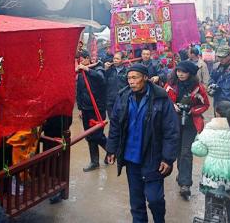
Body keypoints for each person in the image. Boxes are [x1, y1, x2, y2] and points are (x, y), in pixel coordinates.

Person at [106, 63, 180, 223]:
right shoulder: (123, 96)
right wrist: (111, 149)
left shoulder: (161, 98)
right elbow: (115, 124)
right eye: (129, 78)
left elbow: (171, 130)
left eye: (135, 78)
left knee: (155, 199)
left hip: (153, 157)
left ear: (145, 78)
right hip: (131, 157)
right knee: (137, 201)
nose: (131, 81)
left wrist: (167, 158)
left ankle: (160, 220)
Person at [191, 101, 230, 223]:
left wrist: (198, 138)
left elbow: (197, 150)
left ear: (217, 113)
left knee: (210, 214)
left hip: (211, 181)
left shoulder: (208, 130)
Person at [165, 61, 210, 200]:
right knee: (177, 151)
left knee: (186, 152)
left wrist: (192, 110)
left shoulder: (198, 88)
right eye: (178, 71)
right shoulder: (170, 86)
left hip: (190, 123)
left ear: (190, 73)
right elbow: (162, 101)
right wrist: (172, 106)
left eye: (183, 72)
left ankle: (185, 184)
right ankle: (182, 173)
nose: (180, 74)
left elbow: (205, 104)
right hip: (173, 123)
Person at [76, 50, 107, 172]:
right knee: (89, 136)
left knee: (98, 135)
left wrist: (88, 70)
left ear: (88, 58)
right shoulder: (80, 74)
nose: (81, 62)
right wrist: (80, 108)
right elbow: (79, 92)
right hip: (86, 109)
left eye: (82, 59)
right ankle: (94, 162)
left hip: (97, 109)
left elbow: (101, 80)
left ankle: (112, 151)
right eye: (79, 60)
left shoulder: (98, 68)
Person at [104, 51, 128, 118]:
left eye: (117, 59)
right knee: (112, 121)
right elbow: (103, 82)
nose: (115, 60)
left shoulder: (127, 71)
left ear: (122, 60)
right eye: (114, 58)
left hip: (122, 101)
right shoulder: (109, 70)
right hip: (110, 101)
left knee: (122, 121)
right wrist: (105, 70)